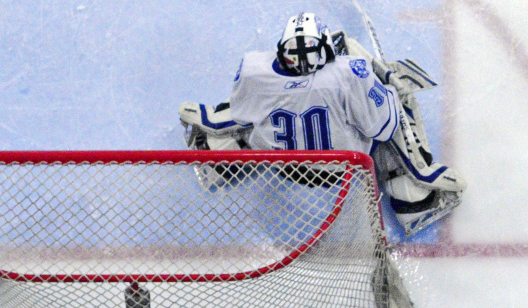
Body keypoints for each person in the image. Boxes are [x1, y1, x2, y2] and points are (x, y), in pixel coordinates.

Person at [179, 12, 467, 237]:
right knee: (396, 109)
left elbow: (239, 114)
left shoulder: (258, 71)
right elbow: (383, 127)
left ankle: (217, 161)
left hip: (285, 167)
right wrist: (388, 86)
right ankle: (413, 202)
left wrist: (210, 119)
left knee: (254, 121)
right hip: (339, 169)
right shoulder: (351, 73)